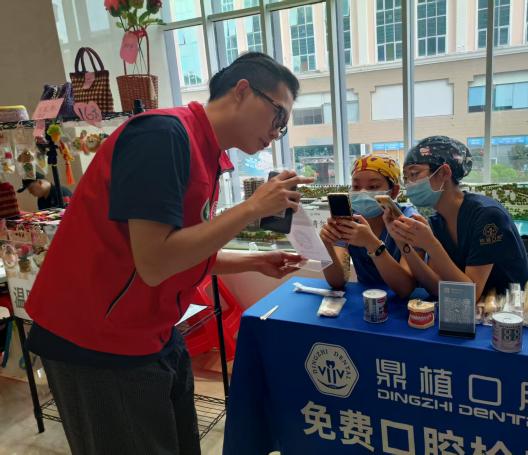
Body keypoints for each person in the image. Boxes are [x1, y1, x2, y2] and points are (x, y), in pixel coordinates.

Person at [25, 52, 314, 455]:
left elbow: (179, 250)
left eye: (283, 125)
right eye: (278, 115)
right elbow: (155, 262)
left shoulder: (207, 154)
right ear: (242, 91)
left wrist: (254, 261)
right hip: (96, 341)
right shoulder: (163, 135)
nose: (276, 131)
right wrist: (251, 208)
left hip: (152, 331)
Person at [385, 135, 528, 299]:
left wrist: (431, 244)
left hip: (509, 309)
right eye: (406, 178)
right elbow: (437, 287)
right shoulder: (437, 223)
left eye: (414, 174)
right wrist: (402, 241)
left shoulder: (487, 216)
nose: (409, 184)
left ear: (444, 172)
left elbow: (470, 295)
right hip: (467, 311)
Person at [320, 154, 417, 297]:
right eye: (356, 186)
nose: (363, 193)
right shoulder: (349, 220)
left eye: (373, 187)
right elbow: (337, 282)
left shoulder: (408, 220)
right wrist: (326, 246)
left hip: (406, 304)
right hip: (366, 297)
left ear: (394, 191)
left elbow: (405, 288)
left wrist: (372, 244)